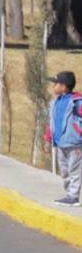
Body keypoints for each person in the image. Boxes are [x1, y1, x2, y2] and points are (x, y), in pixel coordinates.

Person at [46, 71, 82, 206]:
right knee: (65, 171)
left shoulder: (77, 102)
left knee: (75, 170)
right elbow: (51, 122)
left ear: (64, 86)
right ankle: (69, 195)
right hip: (60, 143)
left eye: (55, 84)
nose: (53, 86)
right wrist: (48, 138)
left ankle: (73, 196)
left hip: (74, 143)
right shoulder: (55, 103)